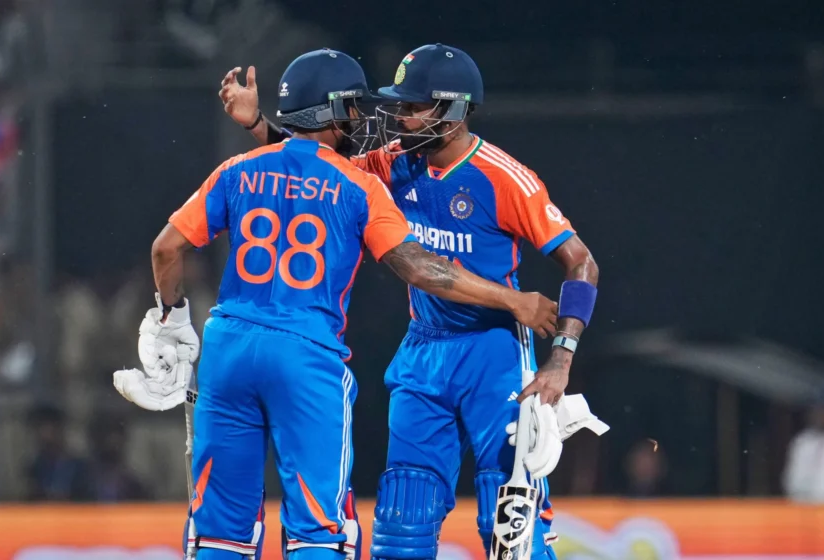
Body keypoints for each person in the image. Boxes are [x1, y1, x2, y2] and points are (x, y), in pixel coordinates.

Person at [148, 49, 558, 560]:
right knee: (318, 530)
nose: (364, 120)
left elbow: (166, 248)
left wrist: (171, 318)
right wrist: (513, 299)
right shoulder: (360, 185)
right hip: (306, 355)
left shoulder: (235, 170)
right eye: (354, 108)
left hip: (227, 346)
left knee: (219, 530)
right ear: (333, 111)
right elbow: (418, 268)